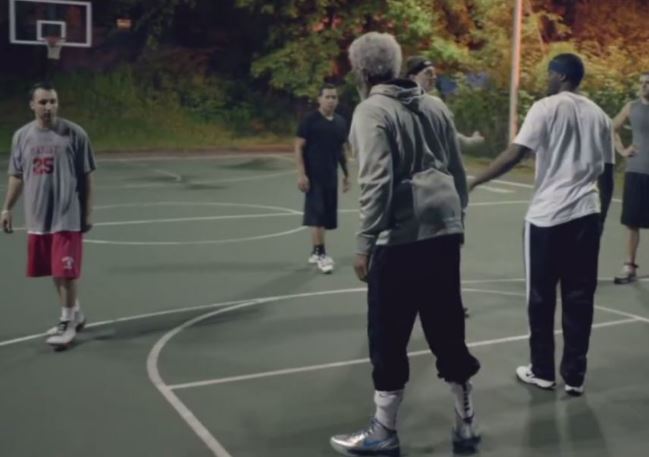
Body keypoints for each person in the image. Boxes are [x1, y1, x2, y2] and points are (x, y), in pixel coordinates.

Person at [329, 32, 481, 456]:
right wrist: (456, 223)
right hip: (443, 232)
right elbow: (457, 171)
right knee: (447, 328)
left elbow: (376, 181)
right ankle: (466, 421)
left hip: (400, 239)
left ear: (360, 70)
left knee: (388, 335)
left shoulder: (371, 110)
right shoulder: (435, 105)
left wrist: (364, 242)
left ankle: (384, 430)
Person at [469, 54, 615, 396]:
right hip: (586, 216)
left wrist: (476, 180)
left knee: (540, 298)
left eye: (549, 73)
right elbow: (607, 176)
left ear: (561, 76)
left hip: (548, 218)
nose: (546, 79)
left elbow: (515, 153)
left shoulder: (545, 108)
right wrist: (601, 219)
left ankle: (542, 371)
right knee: (580, 299)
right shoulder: (601, 116)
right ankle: (575, 377)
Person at [1, 82, 96, 348]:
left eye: (53, 101)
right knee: (56, 270)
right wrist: (7, 208)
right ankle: (76, 314)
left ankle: (67, 322)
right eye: (43, 102)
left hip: (67, 215)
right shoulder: (22, 136)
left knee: (66, 271)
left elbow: (87, 176)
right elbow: (17, 175)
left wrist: (87, 212)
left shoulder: (75, 134)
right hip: (38, 217)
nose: (48, 107)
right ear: (32, 105)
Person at [294, 83, 350, 274]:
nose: (331, 100)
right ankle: (321, 253)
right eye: (327, 97)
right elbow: (298, 147)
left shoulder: (340, 122)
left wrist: (346, 174)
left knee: (325, 216)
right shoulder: (309, 120)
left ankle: (315, 251)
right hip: (313, 176)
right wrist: (301, 174)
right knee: (317, 215)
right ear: (319, 99)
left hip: (331, 176)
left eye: (334, 97)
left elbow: (341, 150)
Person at [612, 72, 649, 284]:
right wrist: (622, 150)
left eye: (648, 83)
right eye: (641, 82)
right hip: (635, 171)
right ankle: (629, 266)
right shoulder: (631, 107)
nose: (644, 86)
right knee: (632, 222)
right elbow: (612, 128)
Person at [405, 56, 485, 149]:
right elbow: (448, 135)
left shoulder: (433, 103)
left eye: (434, 73)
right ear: (412, 77)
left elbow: (448, 132)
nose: (434, 77)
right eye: (428, 73)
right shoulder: (423, 104)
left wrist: (470, 142)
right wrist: (470, 142)